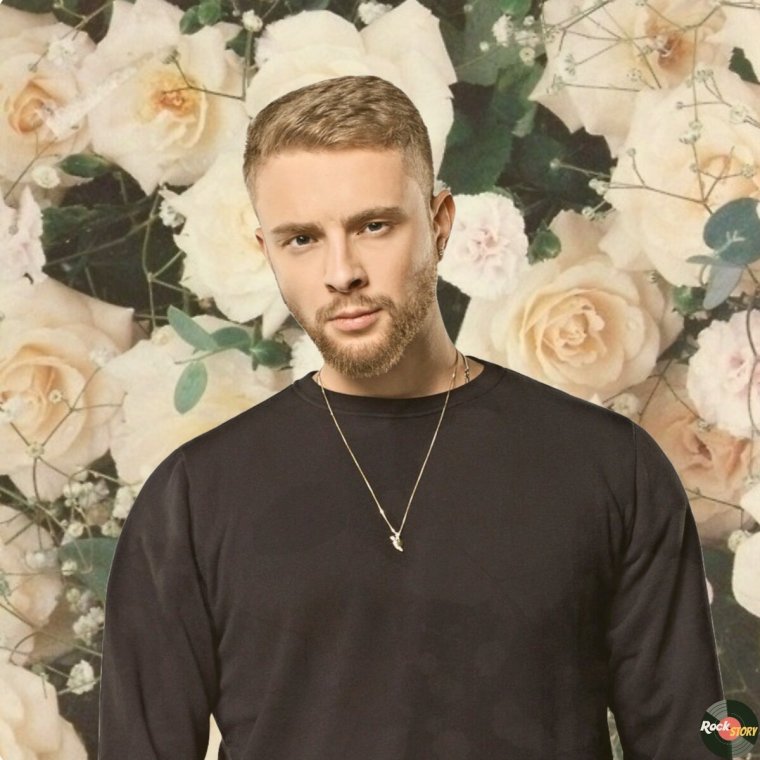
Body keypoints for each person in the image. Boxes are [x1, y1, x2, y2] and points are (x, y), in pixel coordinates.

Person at [98, 74, 724, 759]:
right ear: (266, 250)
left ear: (440, 223)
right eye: (302, 239)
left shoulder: (611, 466)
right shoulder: (193, 497)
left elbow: (701, 737)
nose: (342, 272)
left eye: (373, 226)